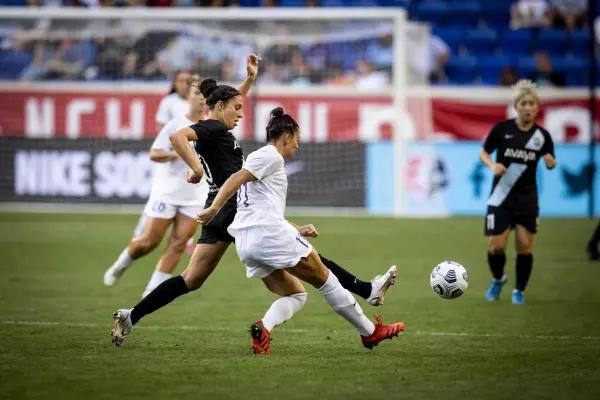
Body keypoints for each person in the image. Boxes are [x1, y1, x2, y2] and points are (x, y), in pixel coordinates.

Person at [110, 64, 397, 347]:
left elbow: (228, 101)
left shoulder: (217, 123)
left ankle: (131, 315)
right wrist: (196, 169)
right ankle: (366, 291)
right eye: (237, 109)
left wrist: (248, 80)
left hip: (220, 209)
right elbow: (177, 137)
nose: (241, 113)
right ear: (219, 107)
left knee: (191, 279)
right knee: (309, 261)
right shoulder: (213, 127)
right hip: (230, 208)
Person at [196, 107, 405, 354]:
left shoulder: (261, 158)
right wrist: (214, 208)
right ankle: (369, 332)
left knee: (296, 294)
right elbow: (234, 179)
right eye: (297, 138)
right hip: (268, 235)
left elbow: (261, 208)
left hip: (247, 242)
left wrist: (297, 228)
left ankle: (264, 328)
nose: (298, 144)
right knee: (327, 280)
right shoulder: (271, 156)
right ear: (286, 136)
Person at [103, 73, 209, 297]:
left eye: (205, 94)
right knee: (149, 241)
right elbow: (154, 153)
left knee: (179, 243)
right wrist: (178, 153)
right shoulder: (175, 124)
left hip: (195, 195)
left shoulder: (212, 126)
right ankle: (123, 262)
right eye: (197, 93)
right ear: (187, 97)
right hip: (168, 192)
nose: (201, 98)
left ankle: (151, 292)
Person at [480, 80, 557, 305]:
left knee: (524, 246)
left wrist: (551, 162)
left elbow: (550, 160)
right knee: (496, 247)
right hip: (501, 196)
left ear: (537, 107)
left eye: (532, 103)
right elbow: (484, 153)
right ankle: (498, 279)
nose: (528, 107)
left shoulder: (542, 136)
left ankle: (518, 291)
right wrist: (492, 166)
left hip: (527, 198)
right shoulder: (502, 129)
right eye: (523, 103)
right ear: (516, 106)